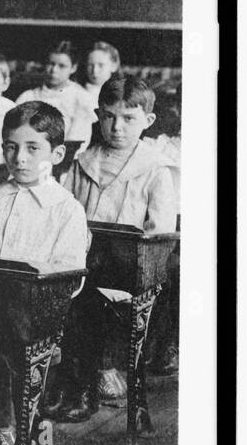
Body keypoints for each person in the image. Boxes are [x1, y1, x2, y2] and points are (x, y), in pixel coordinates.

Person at [46, 76, 177, 421]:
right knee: (62, 294)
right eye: (108, 116)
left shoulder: (155, 169)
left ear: (147, 121)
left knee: (85, 302)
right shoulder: (84, 161)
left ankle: (82, 389)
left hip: (131, 272)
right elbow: (65, 210)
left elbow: (159, 231)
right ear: (97, 115)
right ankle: (62, 384)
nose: (116, 127)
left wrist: (133, 248)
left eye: (128, 119)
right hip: (83, 264)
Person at [0, 101, 88, 445]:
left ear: (57, 153)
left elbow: (68, 278)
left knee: (13, 348)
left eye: (32, 148)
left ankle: (16, 430)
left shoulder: (66, 209)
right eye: (11, 146)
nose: (19, 158)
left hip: (35, 319)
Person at [15, 40, 95, 146]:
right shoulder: (28, 97)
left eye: (62, 66)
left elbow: (77, 143)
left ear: (73, 68)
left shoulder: (81, 98)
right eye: (51, 64)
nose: (54, 70)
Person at [81, 41, 122, 111]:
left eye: (101, 65)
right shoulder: (79, 92)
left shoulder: (120, 92)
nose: (94, 70)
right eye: (90, 65)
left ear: (114, 66)